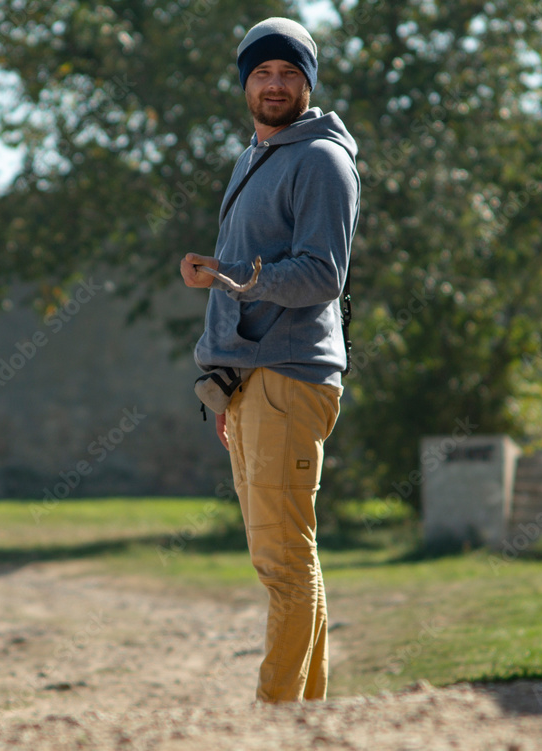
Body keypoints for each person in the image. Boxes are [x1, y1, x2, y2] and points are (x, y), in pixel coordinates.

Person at [180, 16, 360, 704]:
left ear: (309, 82)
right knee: (285, 560)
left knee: (285, 563)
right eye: (263, 72)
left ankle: (275, 719)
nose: (276, 84)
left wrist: (231, 274)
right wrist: (228, 384)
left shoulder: (320, 160)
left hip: (290, 377)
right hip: (254, 384)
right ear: (245, 84)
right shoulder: (257, 154)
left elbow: (320, 275)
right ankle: (302, 718)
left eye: (289, 72)